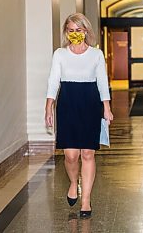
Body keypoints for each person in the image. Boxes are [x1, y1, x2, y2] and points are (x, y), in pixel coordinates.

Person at [45, 13, 114, 219]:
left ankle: (86, 200)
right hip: (67, 104)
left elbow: (102, 81)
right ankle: (74, 183)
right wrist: (48, 107)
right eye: (71, 30)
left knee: (87, 154)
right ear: (67, 32)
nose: (75, 34)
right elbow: (53, 81)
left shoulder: (96, 55)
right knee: (71, 155)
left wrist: (107, 107)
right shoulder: (60, 54)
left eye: (79, 30)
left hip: (90, 104)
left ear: (86, 31)